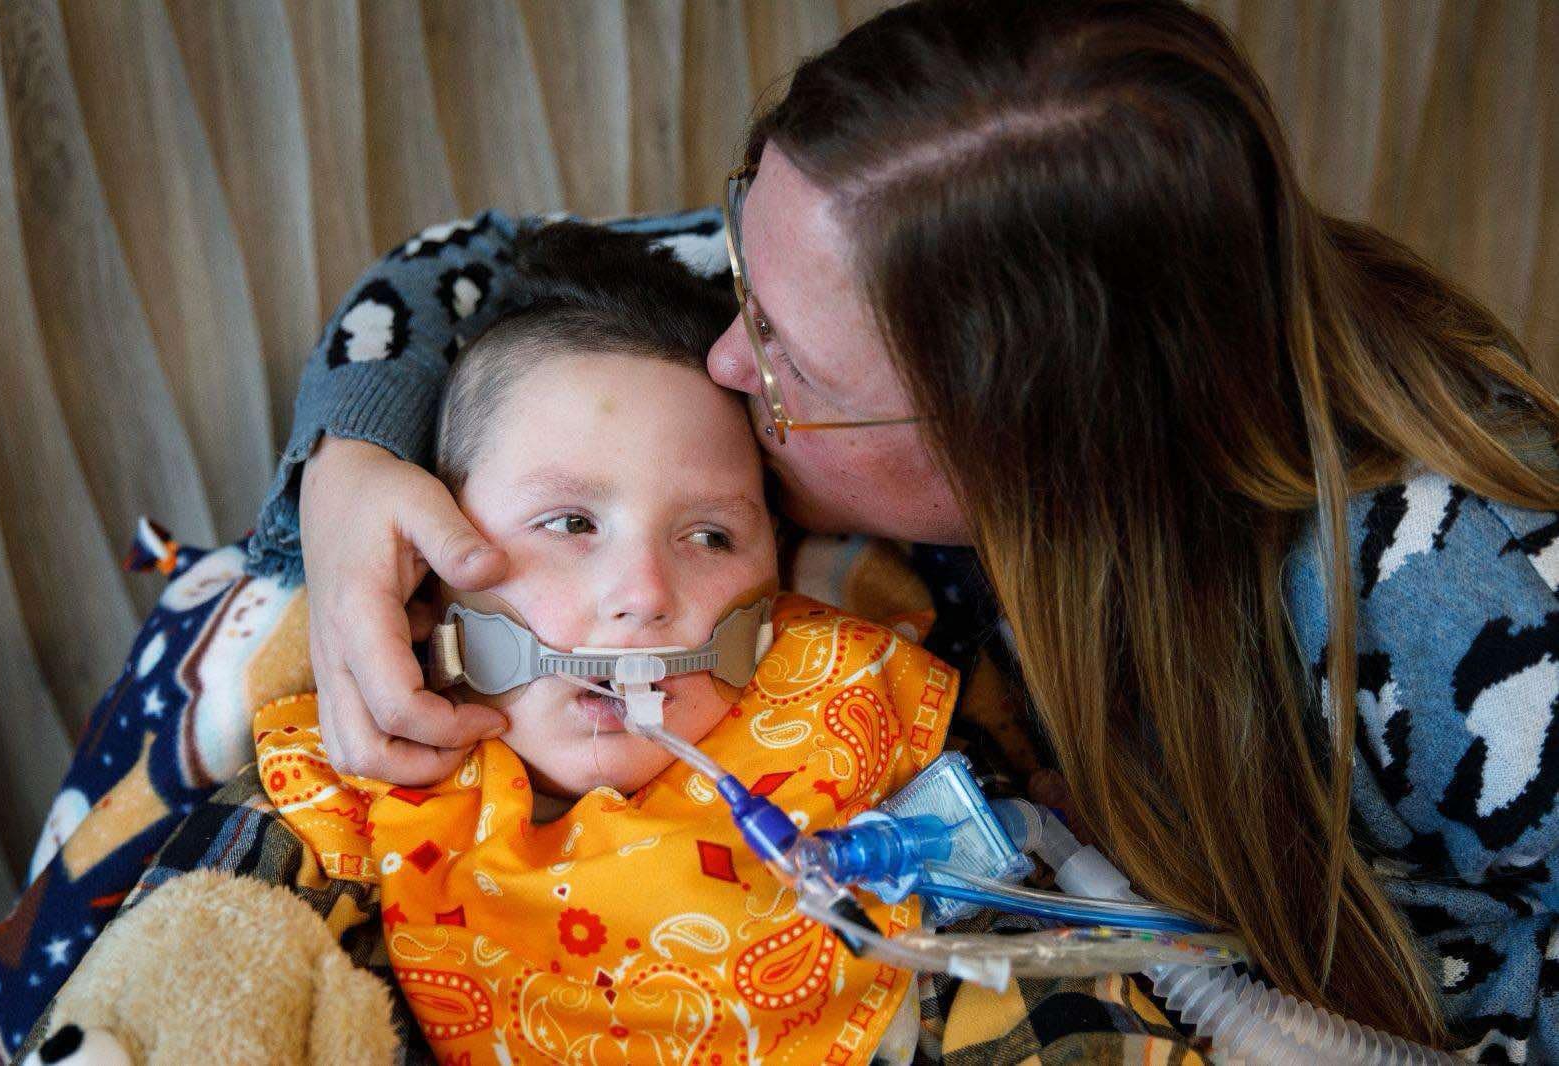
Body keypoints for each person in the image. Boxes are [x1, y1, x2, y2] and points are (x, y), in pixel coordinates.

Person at [248, 0, 1559, 1054]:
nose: (715, 355)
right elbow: (465, 264)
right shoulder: (856, 260)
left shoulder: (1452, 599)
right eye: (743, 276)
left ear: (1031, 453)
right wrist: (347, 459)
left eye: (788, 366)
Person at [255, 222, 956, 1064]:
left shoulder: (855, 724)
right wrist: (346, 460)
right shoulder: (342, 799)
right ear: (431, 568)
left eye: (709, 538)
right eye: (571, 522)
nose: (644, 597)